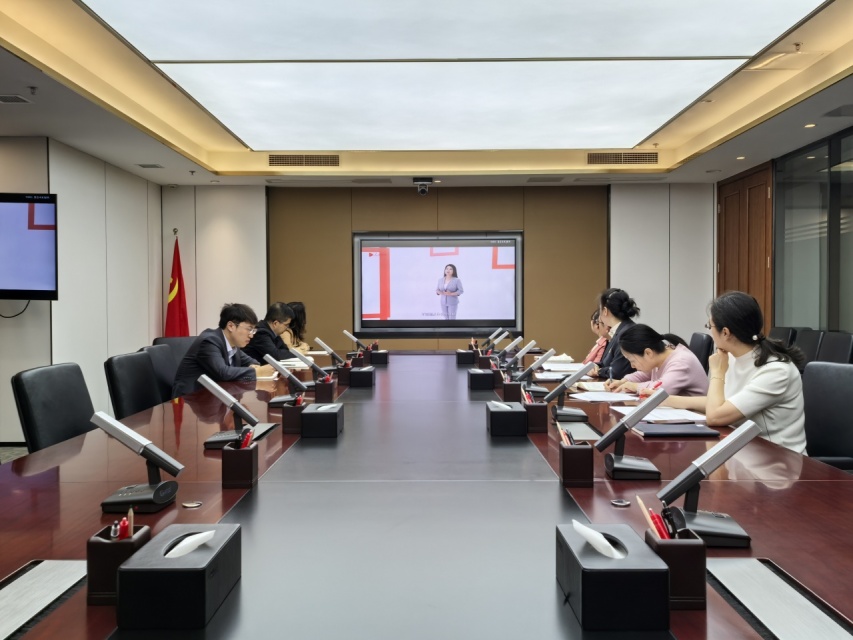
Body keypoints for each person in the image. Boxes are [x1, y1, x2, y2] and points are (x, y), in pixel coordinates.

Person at [666, 291, 806, 454]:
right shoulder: (731, 357)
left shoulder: (776, 371)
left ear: (725, 332)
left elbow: (715, 416)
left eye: (710, 326)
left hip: (777, 459)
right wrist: (665, 400)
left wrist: (717, 373)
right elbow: (719, 403)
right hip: (742, 450)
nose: (710, 331)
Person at [172, 303, 275, 398]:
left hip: (213, 396)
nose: (251, 335)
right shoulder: (210, 341)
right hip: (189, 399)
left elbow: (252, 362)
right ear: (231, 326)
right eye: (249, 329)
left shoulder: (232, 345)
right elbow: (223, 372)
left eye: (253, 330)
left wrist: (254, 368)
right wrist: (256, 372)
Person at [605, 324, 709, 397]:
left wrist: (635, 386)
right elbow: (644, 374)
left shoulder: (681, 362)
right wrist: (623, 382)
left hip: (695, 417)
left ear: (648, 353)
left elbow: (661, 389)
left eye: (632, 360)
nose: (632, 366)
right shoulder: (659, 358)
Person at [590, 288, 639, 380]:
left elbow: (617, 372)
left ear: (605, 311)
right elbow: (606, 362)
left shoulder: (627, 334)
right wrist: (595, 366)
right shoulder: (619, 331)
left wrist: (599, 371)